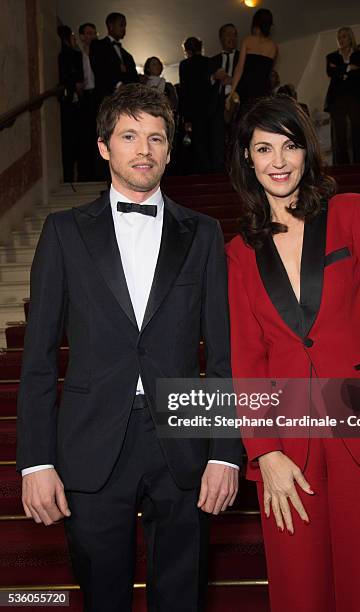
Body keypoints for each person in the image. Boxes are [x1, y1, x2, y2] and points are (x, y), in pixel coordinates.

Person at [17, 84, 241, 612]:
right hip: (90, 444)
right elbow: (39, 361)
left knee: (183, 597)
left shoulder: (204, 233)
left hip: (184, 443)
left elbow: (226, 356)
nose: (144, 149)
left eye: (156, 138)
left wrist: (226, 453)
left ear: (169, 149)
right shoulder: (63, 232)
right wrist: (35, 463)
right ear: (103, 146)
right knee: (102, 597)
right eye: (129, 136)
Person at [227, 95, 360, 612]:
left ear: (308, 151)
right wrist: (265, 450)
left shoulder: (354, 213)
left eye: (290, 145)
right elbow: (248, 358)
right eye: (264, 148)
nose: (279, 161)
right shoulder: (238, 253)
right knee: (299, 589)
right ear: (247, 157)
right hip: (288, 442)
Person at [325, 27, 360, 164]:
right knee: (340, 132)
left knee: (357, 129)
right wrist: (349, 68)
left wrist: (340, 71)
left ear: (350, 38)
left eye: (344, 36)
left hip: (355, 96)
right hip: (337, 98)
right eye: (339, 37)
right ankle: (343, 165)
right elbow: (331, 73)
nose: (341, 40)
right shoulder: (331, 56)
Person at [226, 9, 278, 112]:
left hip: (246, 88)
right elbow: (268, 72)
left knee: (243, 121)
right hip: (263, 91)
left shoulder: (248, 40)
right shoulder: (274, 46)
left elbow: (239, 69)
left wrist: (231, 93)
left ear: (255, 23)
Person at [89, 12, 139, 108]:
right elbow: (99, 68)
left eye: (125, 26)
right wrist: (118, 85)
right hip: (105, 98)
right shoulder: (98, 45)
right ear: (110, 26)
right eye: (121, 25)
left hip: (126, 102)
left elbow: (133, 77)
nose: (124, 29)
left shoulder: (127, 55)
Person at [208, 23, 240, 171]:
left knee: (238, 140)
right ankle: (218, 175)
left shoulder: (243, 57)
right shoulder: (212, 61)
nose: (232, 38)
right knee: (217, 143)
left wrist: (233, 81)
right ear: (221, 38)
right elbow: (203, 86)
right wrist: (214, 77)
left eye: (234, 34)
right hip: (217, 106)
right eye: (228, 34)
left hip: (238, 104)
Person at [179, 37, 212, 173]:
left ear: (186, 50)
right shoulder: (208, 62)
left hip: (193, 109)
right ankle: (210, 171)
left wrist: (185, 116)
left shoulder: (185, 65)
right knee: (209, 139)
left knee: (196, 142)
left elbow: (184, 90)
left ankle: (200, 171)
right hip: (209, 107)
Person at [57, 25, 84, 182]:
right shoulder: (69, 54)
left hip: (71, 103)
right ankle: (70, 177)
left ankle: (70, 177)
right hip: (69, 103)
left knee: (71, 144)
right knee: (71, 143)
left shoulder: (69, 54)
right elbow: (72, 76)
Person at [78, 22, 98, 181]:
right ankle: (85, 174)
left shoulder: (100, 54)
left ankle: (96, 172)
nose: (91, 36)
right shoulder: (77, 54)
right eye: (88, 33)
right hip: (83, 96)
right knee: (84, 135)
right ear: (82, 36)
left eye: (93, 33)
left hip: (97, 96)